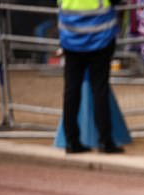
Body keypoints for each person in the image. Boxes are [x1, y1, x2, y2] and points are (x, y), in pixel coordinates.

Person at [58, 0, 124, 154]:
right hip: (100, 39)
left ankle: (71, 141)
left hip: (71, 38)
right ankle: (105, 141)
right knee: (99, 90)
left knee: (71, 91)